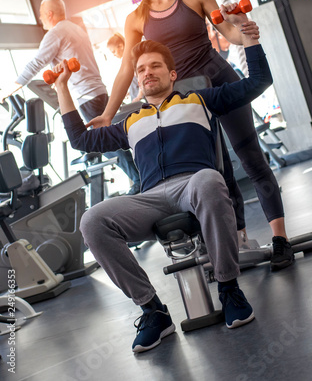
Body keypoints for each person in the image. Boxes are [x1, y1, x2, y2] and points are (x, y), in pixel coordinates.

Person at [54, 19, 272, 352]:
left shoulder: (200, 100)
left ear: (172, 75)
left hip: (194, 185)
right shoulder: (129, 120)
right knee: (92, 220)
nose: (147, 72)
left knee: (210, 179)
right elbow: (80, 139)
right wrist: (62, 88)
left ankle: (228, 287)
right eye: (141, 69)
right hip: (150, 198)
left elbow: (258, 81)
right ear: (137, 79)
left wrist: (251, 42)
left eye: (155, 66)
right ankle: (153, 310)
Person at [88, 0, 294, 271]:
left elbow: (227, 29)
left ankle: (280, 238)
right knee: (214, 171)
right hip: (185, 98)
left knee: (250, 156)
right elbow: (127, 66)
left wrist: (246, 32)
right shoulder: (136, 17)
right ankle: (234, 242)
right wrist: (108, 114)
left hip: (220, 80)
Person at [0, 0, 140, 195]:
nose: (40, 19)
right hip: (98, 91)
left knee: (105, 143)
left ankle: (138, 180)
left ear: (49, 14)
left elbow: (35, 64)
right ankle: (139, 178)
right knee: (109, 139)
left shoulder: (56, 33)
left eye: (41, 15)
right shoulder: (76, 29)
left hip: (86, 95)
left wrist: (7, 90)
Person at [106, 33, 143, 102]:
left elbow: (142, 78)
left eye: (113, 51)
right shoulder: (126, 61)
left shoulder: (131, 60)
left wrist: (139, 97)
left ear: (121, 46)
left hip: (141, 100)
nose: (113, 55)